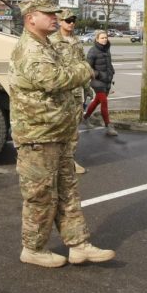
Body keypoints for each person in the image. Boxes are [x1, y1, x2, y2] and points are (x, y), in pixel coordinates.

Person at [9, 0, 115, 268]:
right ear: (31, 17)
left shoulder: (47, 45)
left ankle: (78, 245)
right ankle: (33, 248)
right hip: (38, 135)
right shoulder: (30, 50)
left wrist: (76, 69)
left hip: (59, 132)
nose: (55, 17)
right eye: (49, 14)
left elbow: (68, 68)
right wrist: (82, 70)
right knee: (41, 195)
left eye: (57, 13)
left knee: (67, 191)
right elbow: (55, 79)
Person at [49, 10, 88, 174]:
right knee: (57, 127)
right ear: (59, 21)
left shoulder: (77, 41)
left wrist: (87, 86)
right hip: (61, 91)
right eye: (68, 20)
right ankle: (54, 162)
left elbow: (83, 63)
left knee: (73, 129)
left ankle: (69, 161)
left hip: (76, 92)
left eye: (74, 20)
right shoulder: (51, 41)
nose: (71, 23)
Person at [83, 31, 118, 136]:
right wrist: (98, 74)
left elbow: (109, 64)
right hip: (97, 81)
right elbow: (88, 68)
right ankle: (109, 126)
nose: (104, 39)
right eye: (102, 38)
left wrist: (112, 71)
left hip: (107, 81)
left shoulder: (107, 50)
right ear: (97, 39)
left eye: (106, 37)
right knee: (104, 102)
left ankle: (85, 117)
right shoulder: (93, 51)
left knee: (97, 101)